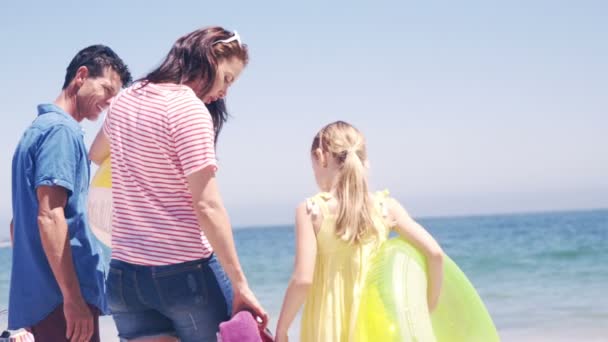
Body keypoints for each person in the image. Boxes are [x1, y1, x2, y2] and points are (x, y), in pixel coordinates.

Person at [89, 26, 268, 342]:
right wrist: (241, 284)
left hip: (125, 279)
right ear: (211, 57)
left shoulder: (124, 100)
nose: (225, 92)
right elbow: (207, 206)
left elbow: (97, 152)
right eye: (227, 78)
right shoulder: (188, 109)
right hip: (185, 274)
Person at [274, 121, 445, 342]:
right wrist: (426, 311)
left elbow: (303, 280)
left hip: (327, 329)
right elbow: (435, 255)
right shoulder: (386, 208)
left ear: (320, 157)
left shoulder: (312, 211)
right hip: (375, 324)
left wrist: (282, 330)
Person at [9, 45, 132, 342]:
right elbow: (50, 215)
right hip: (61, 302)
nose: (110, 101)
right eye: (107, 88)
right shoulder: (61, 132)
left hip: (44, 299)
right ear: (81, 76)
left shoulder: (36, 130)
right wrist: (72, 299)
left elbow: (17, 226)